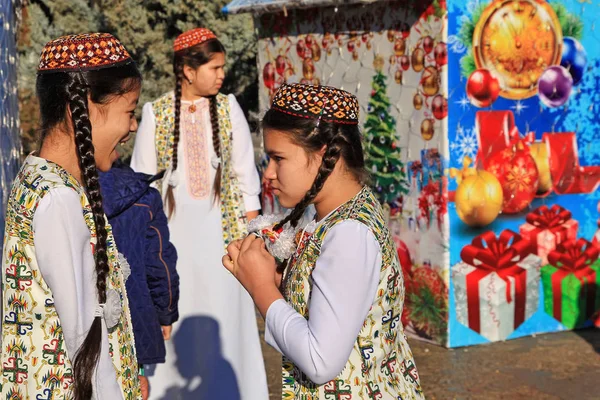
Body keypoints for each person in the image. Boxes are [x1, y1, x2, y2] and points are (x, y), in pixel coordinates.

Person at [223, 83, 425, 399]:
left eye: (278, 158)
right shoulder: (334, 215)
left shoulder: (348, 233)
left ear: (324, 154)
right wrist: (277, 280)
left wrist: (261, 289)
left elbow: (320, 361)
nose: (269, 174)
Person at [1, 33, 142, 399]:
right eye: (129, 111)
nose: (133, 126)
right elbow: (84, 341)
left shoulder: (36, 177)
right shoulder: (59, 199)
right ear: (82, 108)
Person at [130, 28, 267, 399]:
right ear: (188, 70)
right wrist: (145, 253)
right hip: (172, 242)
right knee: (178, 311)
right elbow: (142, 186)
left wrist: (252, 240)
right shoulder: (155, 113)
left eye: (223, 66)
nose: (222, 74)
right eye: (214, 67)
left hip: (224, 238)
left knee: (225, 318)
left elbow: (245, 177)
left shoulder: (228, 108)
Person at [98, 161, 180, 399]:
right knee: (134, 384)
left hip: (84, 315)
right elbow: (160, 263)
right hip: (134, 312)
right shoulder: (145, 197)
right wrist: (166, 311)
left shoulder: (69, 190)